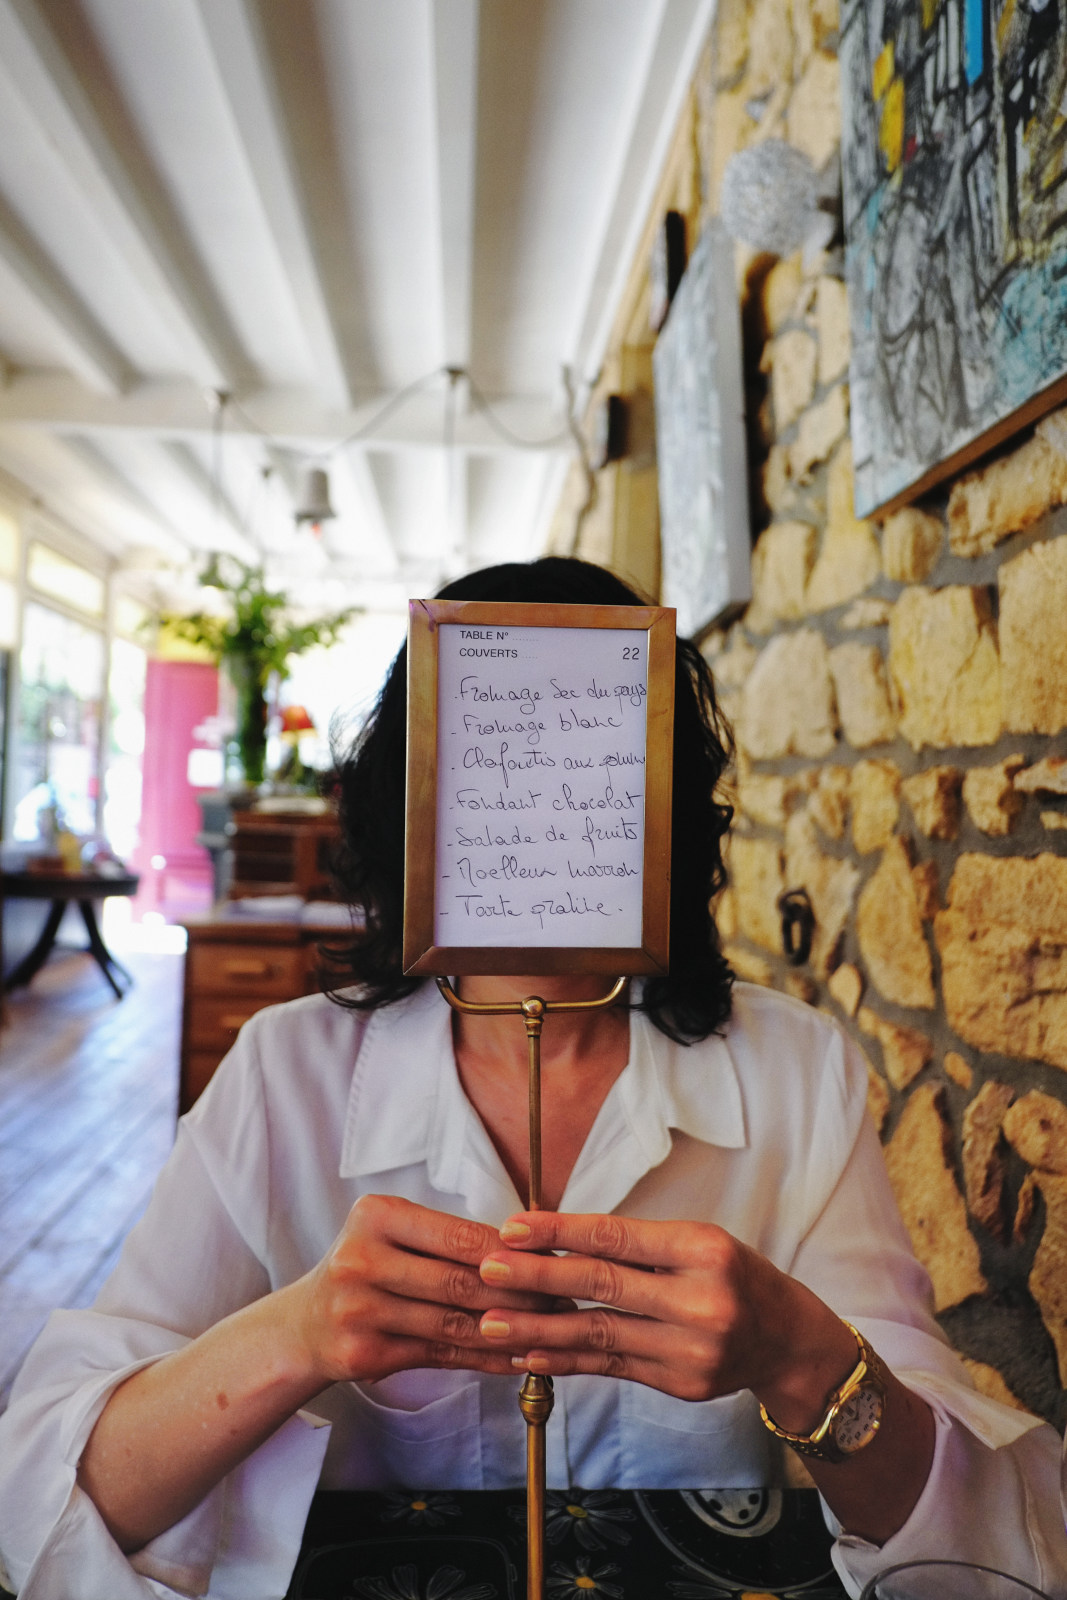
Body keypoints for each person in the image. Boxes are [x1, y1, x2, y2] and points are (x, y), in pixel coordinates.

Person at [0, 556, 1063, 1600]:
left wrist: (799, 1354)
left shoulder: (791, 1070)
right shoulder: (286, 1072)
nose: (535, 801)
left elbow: (985, 1556)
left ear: (667, 811)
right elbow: (38, 1507)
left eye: (595, 761)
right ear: (407, 803)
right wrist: (298, 1330)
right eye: (489, 759)